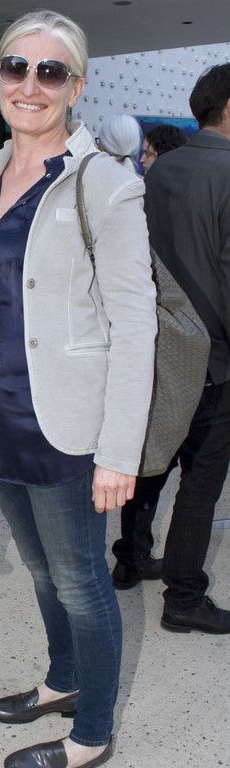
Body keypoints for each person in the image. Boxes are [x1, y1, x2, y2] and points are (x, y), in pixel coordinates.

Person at [0, 10, 157, 768]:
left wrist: (118, 450)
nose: (30, 85)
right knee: (42, 574)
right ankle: (63, 675)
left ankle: (92, 731)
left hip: (71, 427)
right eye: (16, 67)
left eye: (50, 72)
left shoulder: (102, 183)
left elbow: (135, 323)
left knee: (78, 579)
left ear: (75, 86)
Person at [111, 64, 230, 634]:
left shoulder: (156, 172)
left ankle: (130, 559)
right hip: (217, 357)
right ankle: (184, 596)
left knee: (151, 463)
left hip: (157, 349)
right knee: (201, 482)